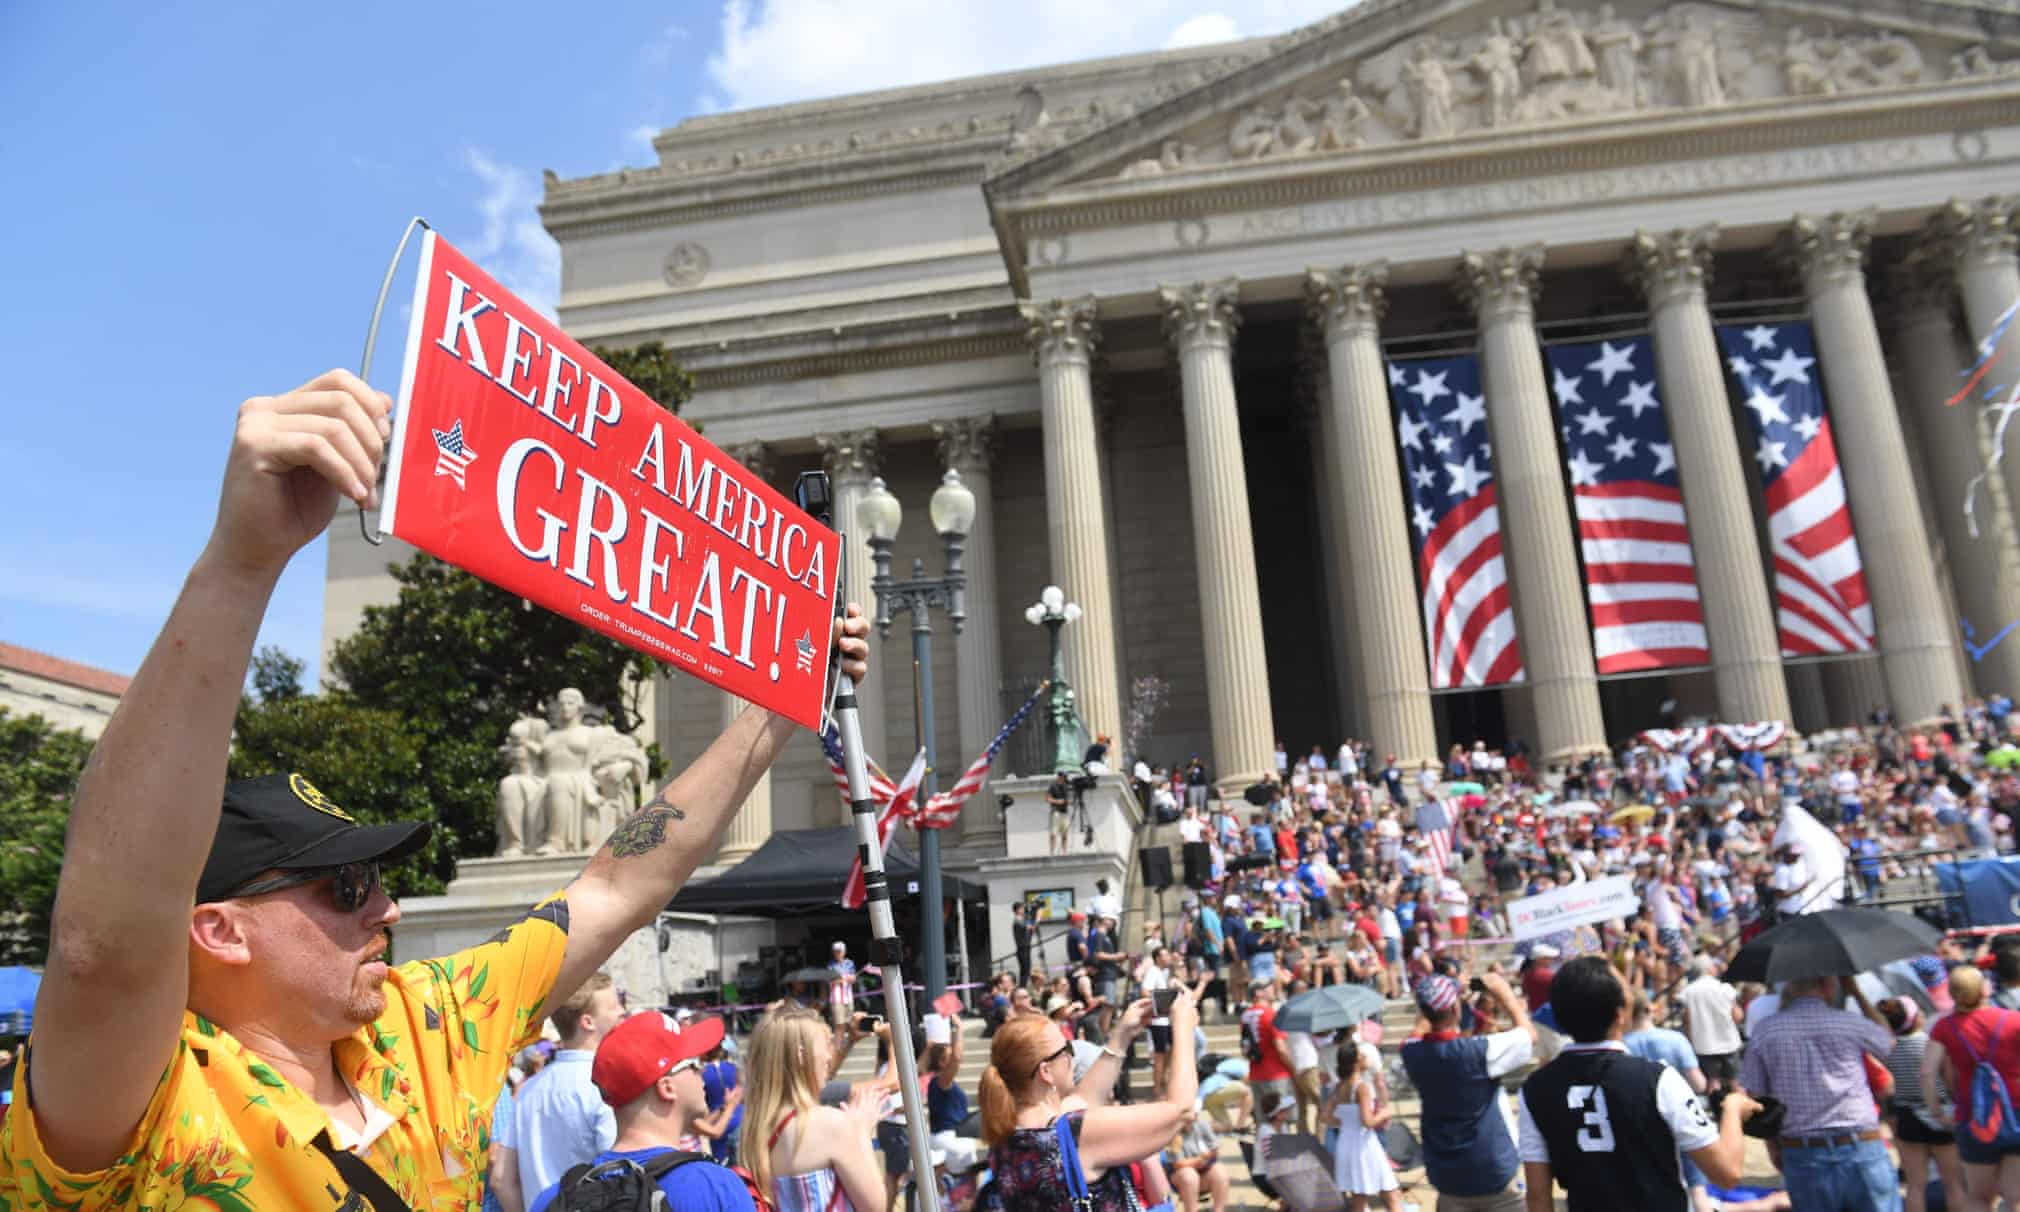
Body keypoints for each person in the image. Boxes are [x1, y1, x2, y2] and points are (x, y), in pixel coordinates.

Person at [0, 370, 872, 1210]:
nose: (389, 911)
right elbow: (102, 949)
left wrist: (779, 704)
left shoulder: (426, 1028)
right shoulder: (140, 1101)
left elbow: (617, 885)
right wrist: (241, 562)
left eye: (376, 880)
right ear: (220, 930)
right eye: (344, 886)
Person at [1518, 957, 1758, 1212]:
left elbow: (1538, 1197)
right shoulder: (1657, 1079)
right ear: (1620, 1014)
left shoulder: (1535, 1088)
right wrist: (1733, 1110)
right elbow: (1727, 1172)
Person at [980, 991, 1199, 1211]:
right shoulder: (1076, 1134)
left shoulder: (1008, 1133)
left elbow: (1085, 1098)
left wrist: (1121, 1036)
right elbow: (1182, 1109)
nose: (1072, 1056)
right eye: (1066, 1049)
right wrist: (1183, 1028)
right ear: (1046, 1072)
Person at [527, 1011, 755, 1211]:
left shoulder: (553, 1199)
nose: (701, 1072)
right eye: (692, 1063)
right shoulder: (716, 1186)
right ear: (667, 1088)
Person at [1739, 973, 1898, 1211]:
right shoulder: (1848, 1022)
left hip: (1802, 1149)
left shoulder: (1766, 1031)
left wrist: (1772, 1144)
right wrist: (1856, 994)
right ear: (1828, 985)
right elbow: (1887, 1042)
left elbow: (1756, 1097)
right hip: (1860, 1143)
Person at [1400, 971, 1536, 1211]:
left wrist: (1436, 1001)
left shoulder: (1412, 1053)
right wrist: (1504, 993)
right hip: (1493, 1169)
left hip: (1446, 1175)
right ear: (1455, 1009)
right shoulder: (1479, 1051)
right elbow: (1529, 1035)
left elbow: (1417, 1032)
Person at [745, 1005, 884, 1211]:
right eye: (826, 1046)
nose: (830, 1057)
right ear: (801, 1055)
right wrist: (861, 1131)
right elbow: (876, 1207)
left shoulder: (755, 1129)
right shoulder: (828, 1124)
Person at [512, 973, 626, 1198]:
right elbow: (619, 1175)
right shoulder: (604, 1084)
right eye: (614, 1005)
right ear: (588, 1022)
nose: (622, 1011)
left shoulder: (529, 1089)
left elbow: (502, 1179)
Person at [1926, 964, 2020, 1211]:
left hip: (1973, 1117)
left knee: (1978, 1198)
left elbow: (1927, 1072)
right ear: (1984, 990)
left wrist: (1937, 1112)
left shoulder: (1944, 1027)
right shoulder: (2013, 1020)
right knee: (2016, 1197)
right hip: (2017, 1113)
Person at [1880, 997, 1963, 1212]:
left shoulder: (1889, 1048)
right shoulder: (1931, 1044)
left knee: (1915, 1185)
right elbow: (1948, 1079)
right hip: (1938, 1112)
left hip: (1907, 1115)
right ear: (1916, 1018)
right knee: (1952, 1184)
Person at [1325, 1035, 1400, 1211]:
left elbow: (1324, 1115)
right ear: (1356, 1062)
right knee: (1391, 1194)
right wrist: (1383, 1113)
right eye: (1363, 1056)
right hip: (1364, 1144)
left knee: (1359, 1197)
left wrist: (1344, 1122)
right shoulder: (1361, 1087)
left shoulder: (1339, 1086)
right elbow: (1367, 1122)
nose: (1366, 1058)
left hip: (1346, 1142)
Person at [1678, 956, 1744, 1092]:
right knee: (1735, 1081)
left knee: (1713, 1081)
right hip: (1728, 1041)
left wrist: (1691, 1039)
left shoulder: (1689, 991)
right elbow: (1737, 1016)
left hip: (1704, 1044)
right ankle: (1742, 1110)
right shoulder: (1724, 988)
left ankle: (1715, 1108)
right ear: (1709, 969)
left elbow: (1686, 1020)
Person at [827, 942, 857, 1028]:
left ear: (844, 951)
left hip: (849, 998)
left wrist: (851, 978)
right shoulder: (830, 965)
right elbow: (829, 981)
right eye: (835, 951)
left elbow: (853, 979)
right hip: (836, 999)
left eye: (839, 951)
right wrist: (843, 979)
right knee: (839, 1024)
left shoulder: (850, 963)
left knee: (850, 1023)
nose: (837, 953)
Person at [1048, 773, 1073, 855]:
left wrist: (1068, 802)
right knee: (1054, 833)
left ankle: (1064, 852)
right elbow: (1048, 798)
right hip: (1056, 812)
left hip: (1064, 812)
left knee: (1065, 834)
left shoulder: (1066, 787)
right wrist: (1058, 801)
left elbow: (1069, 799)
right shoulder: (1053, 786)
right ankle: (1052, 852)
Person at [1010, 901, 1033, 990]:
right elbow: (1029, 927)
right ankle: (1022, 989)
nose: (1024, 910)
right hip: (1022, 949)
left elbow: (1030, 931)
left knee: (1026, 970)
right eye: (1022, 908)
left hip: (1025, 948)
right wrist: (1037, 917)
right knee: (1025, 971)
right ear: (1018, 910)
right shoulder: (1017, 921)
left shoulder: (1022, 920)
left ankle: (1023, 988)